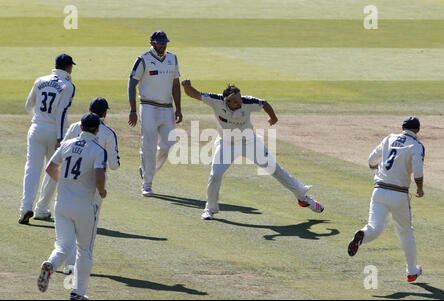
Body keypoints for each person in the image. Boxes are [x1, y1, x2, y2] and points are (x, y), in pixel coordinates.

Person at [181, 80, 324, 220]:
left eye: (240, 99)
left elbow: (264, 103)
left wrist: (273, 117)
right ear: (227, 102)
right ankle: (210, 209)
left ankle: (303, 198)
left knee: (275, 169)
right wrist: (187, 86)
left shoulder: (247, 102)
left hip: (250, 143)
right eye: (236, 101)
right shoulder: (216, 100)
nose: (240, 103)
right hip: (226, 144)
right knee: (215, 175)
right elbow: (195, 94)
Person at [37, 113, 107, 300]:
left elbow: (50, 168)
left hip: (62, 203)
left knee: (63, 246)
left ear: (81, 128)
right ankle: (78, 293)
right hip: (84, 205)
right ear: (97, 129)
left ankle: (51, 264)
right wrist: (101, 191)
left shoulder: (67, 145)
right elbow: (99, 176)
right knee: (85, 250)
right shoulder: (98, 149)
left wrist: (65, 183)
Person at [348, 116, 425, 282]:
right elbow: (417, 170)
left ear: (402, 127)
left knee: (374, 228)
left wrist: (375, 174)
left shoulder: (389, 138)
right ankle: (412, 270)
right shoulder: (417, 145)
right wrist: (419, 188)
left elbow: (371, 159)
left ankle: (362, 234)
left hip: (379, 190)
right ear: (417, 130)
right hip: (399, 193)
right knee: (405, 232)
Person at [61, 97, 120, 275]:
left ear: (89, 108)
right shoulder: (108, 133)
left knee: (69, 226)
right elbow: (114, 165)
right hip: (94, 185)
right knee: (88, 230)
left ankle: (67, 264)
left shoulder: (74, 127)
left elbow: (61, 153)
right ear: (105, 113)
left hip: (69, 182)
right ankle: (80, 267)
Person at [19, 54, 76, 224]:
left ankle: (25, 208)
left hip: (36, 128)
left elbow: (29, 105)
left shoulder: (40, 80)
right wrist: (60, 137)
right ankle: (42, 209)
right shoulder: (68, 85)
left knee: (32, 170)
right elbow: (61, 112)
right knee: (52, 169)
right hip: (54, 131)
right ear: (67, 67)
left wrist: (39, 118)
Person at [128, 30, 182, 197]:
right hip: (148, 106)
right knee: (148, 145)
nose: (162, 45)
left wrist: (178, 108)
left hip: (167, 107)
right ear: (152, 43)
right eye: (159, 43)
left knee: (168, 144)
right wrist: (133, 110)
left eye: (164, 42)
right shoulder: (143, 59)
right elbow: (131, 85)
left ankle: (146, 170)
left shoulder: (172, 58)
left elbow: (175, 84)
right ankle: (147, 183)